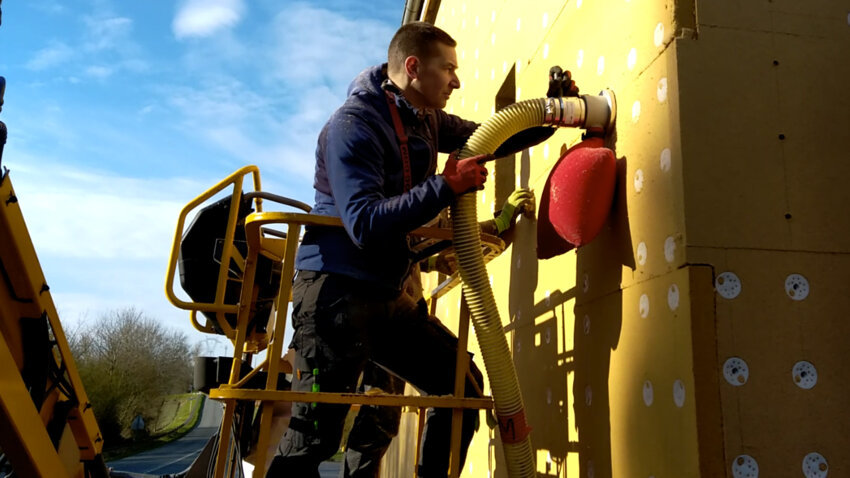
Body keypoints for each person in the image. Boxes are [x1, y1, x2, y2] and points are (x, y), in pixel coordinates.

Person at [267, 21, 553, 478]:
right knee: (313, 437)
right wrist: (445, 185)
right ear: (414, 68)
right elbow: (364, 223)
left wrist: (550, 114)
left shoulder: (424, 118)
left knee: (459, 387)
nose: (457, 81)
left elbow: (493, 135)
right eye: (449, 70)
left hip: (386, 293)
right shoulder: (353, 125)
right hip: (334, 295)